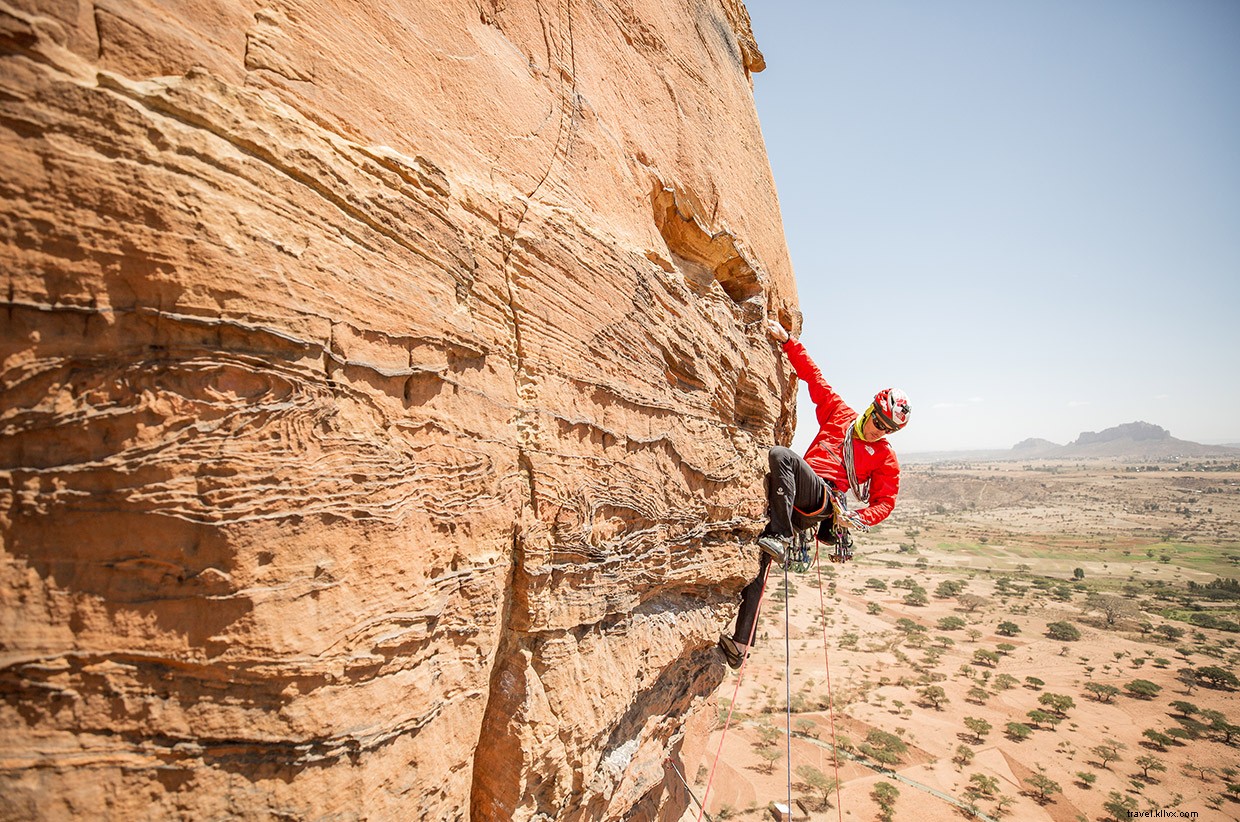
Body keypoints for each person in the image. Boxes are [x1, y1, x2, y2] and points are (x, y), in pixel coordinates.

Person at [718, 319, 912, 669]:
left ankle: (780, 534)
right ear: (871, 409)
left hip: (825, 500)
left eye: (886, 428)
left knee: (781, 456)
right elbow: (814, 377)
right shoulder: (840, 415)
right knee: (761, 562)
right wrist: (788, 342)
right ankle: (741, 645)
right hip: (797, 494)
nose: (877, 428)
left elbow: (886, 502)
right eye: (878, 419)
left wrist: (856, 519)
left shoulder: (884, 457)